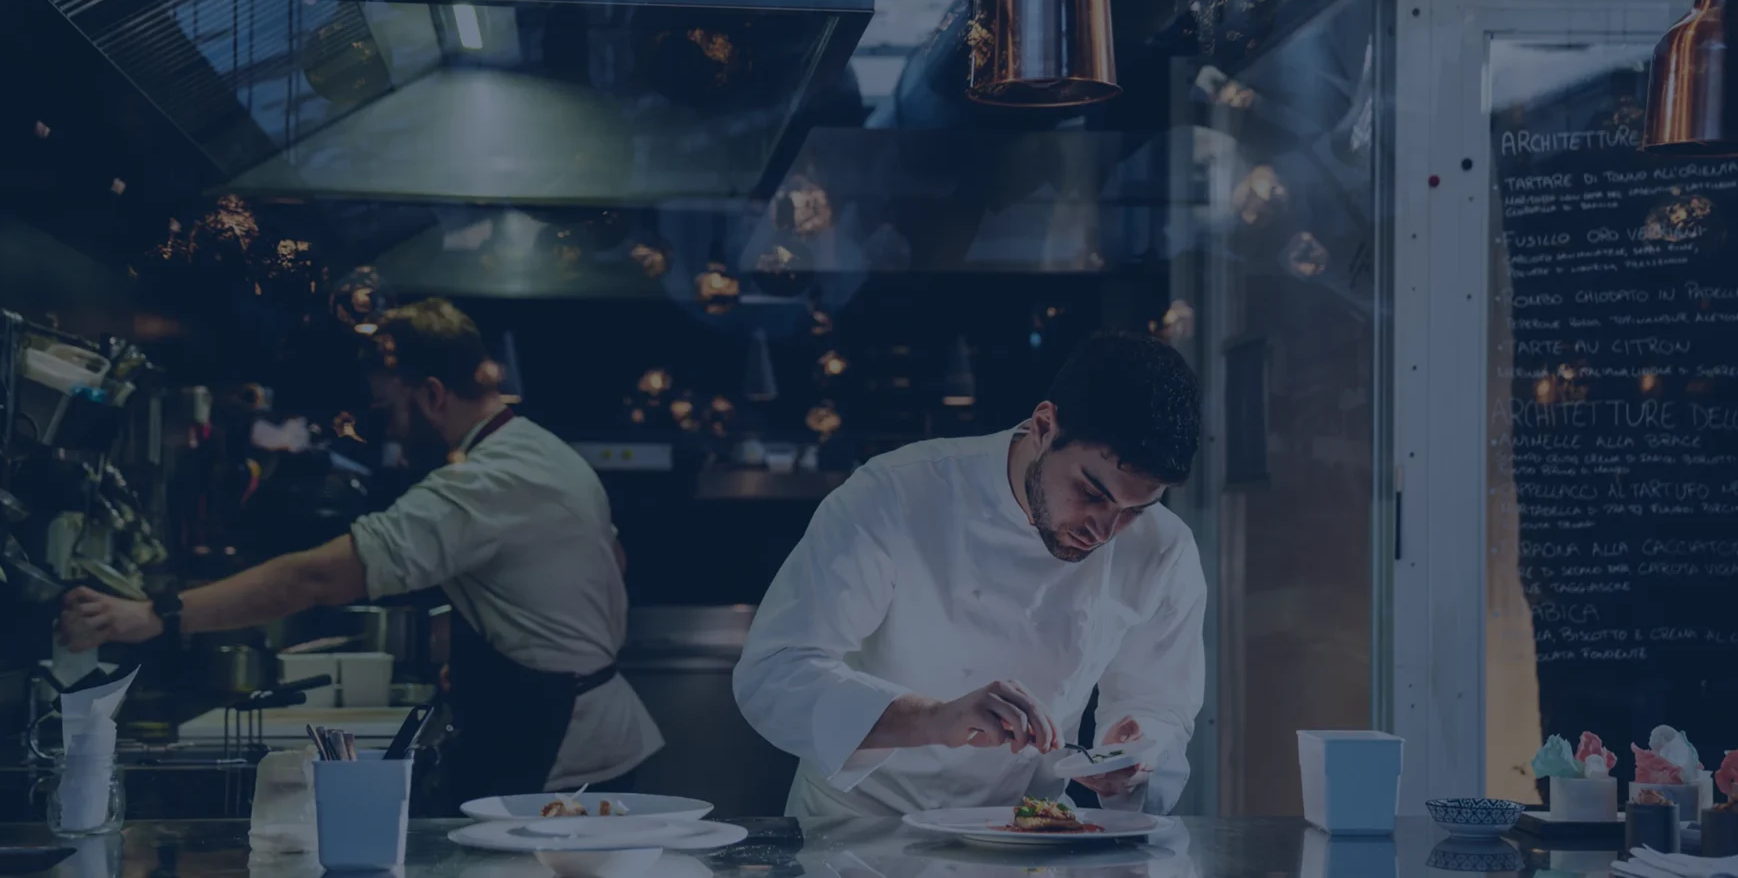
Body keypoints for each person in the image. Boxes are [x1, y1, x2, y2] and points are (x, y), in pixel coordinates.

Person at [62, 298, 662, 800]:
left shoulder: (481, 482)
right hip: (585, 732)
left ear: (431, 393)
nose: (390, 427)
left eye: (389, 407)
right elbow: (614, 564)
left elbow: (316, 580)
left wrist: (154, 615)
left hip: (558, 750)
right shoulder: (540, 449)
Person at [733, 331, 1206, 817]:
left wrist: (1134, 757)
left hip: (1026, 836)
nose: (1106, 532)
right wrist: (933, 719)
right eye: (1092, 493)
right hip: (856, 834)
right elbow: (776, 671)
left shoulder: (1163, 548)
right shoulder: (896, 493)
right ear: (1045, 426)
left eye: (1136, 509)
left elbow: (1160, 703)